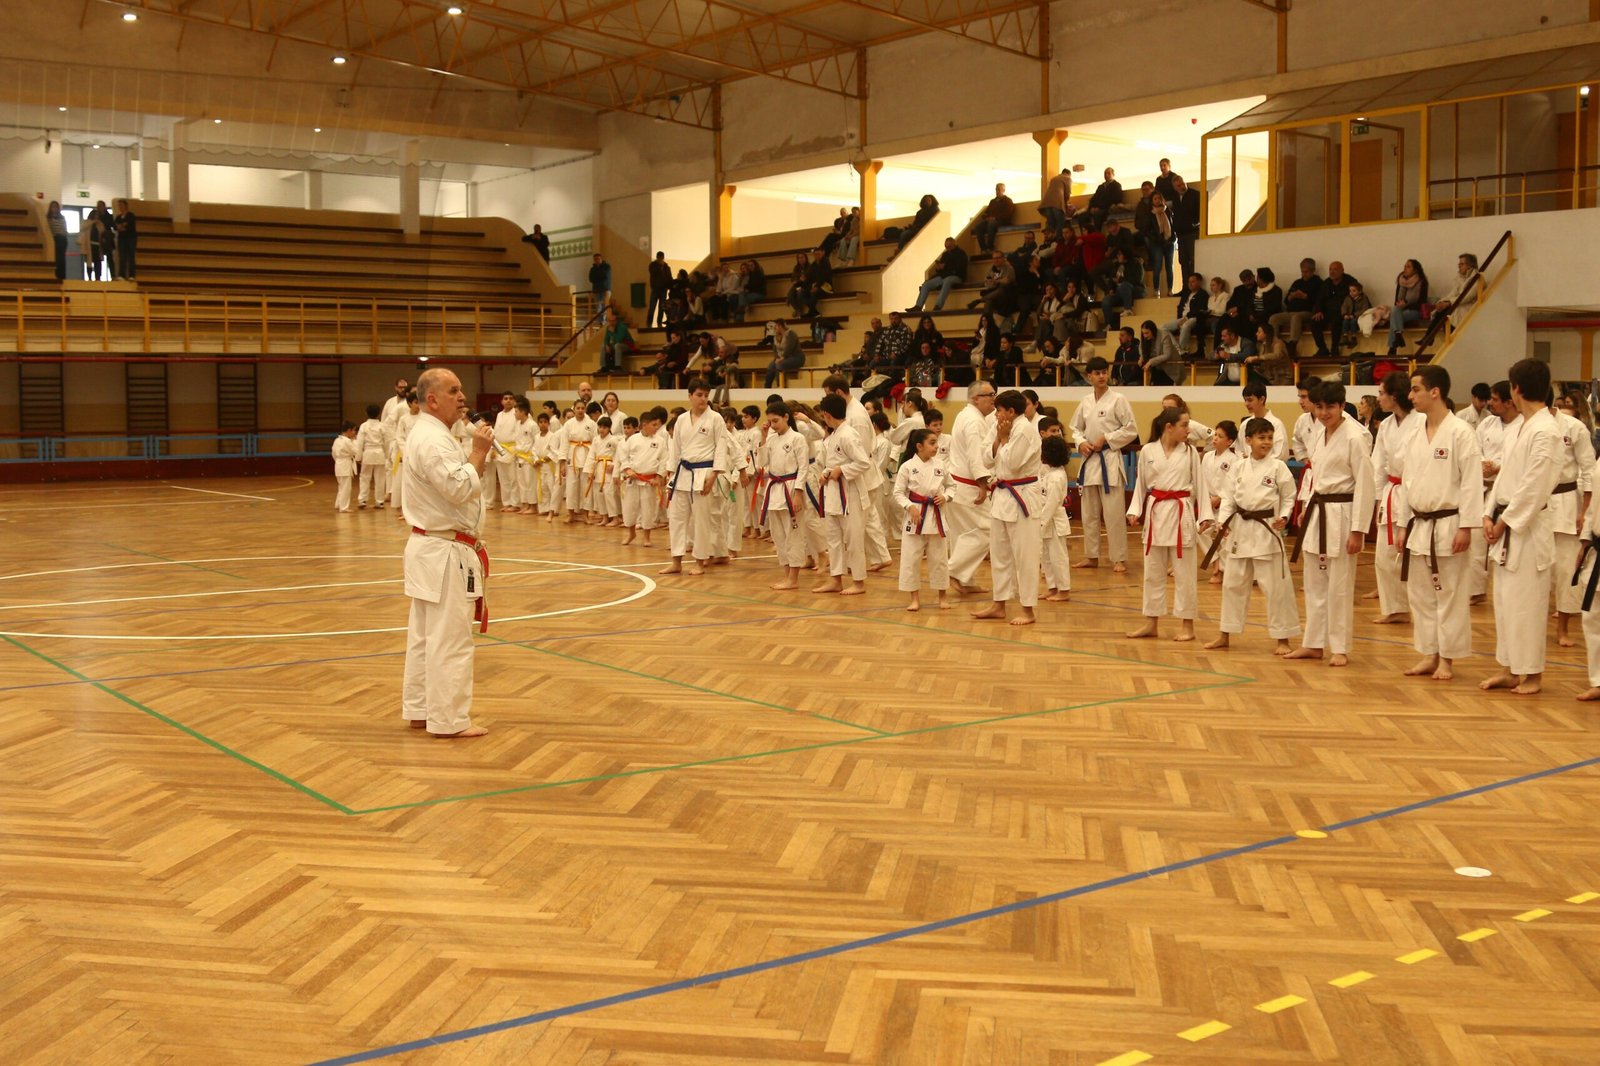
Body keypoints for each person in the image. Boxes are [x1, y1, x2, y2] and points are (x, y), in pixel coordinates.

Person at [397, 368, 493, 739]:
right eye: (454, 390)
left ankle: (421, 709)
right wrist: (479, 452)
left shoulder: (432, 433)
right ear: (432, 399)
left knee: (424, 635)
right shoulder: (433, 439)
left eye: (461, 388)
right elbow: (457, 488)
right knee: (450, 638)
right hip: (443, 551)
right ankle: (449, 719)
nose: (462, 396)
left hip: (431, 548)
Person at [1394, 365, 1483, 682]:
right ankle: (1429, 654)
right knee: (1420, 595)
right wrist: (1403, 523)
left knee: (1450, 595)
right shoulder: (1416, 431)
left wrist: (1467, 526)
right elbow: (1407, 482)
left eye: (1415, 389)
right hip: (1420, 524)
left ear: (1435, 392)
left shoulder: (1461, 432)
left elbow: (1472, 483)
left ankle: (1447, 659)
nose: (1410, 395)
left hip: (1449, 522)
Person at [1481, 359, 1561, 695]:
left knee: (1527, 604)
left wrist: (1504, 522)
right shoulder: (1521, 427)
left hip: (1526, 529)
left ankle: (1533, 674)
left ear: (1516, 389)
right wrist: (1488, 512)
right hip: (1505, 522)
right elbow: (1504, 478)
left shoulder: (1547, 431)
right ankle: (1510, 668)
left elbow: (1534, 486)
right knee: (1505, 602)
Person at [1287, 381, 1375, 668]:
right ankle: (1313, 643)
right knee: (1313, 583)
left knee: (1338, 585)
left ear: (1341, 405)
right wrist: (1306, 506)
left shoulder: (1356, 436)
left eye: (1330, 407)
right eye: (1320, 407)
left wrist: (1359, 529)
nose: (1324, 413)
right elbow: (1316, 473)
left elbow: (1365, 484)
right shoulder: (1318, 433)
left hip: (1343, 512)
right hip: (1319, 509)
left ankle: (1339, 647)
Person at [1203, 417, 1298, 654]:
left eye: (1269, 438)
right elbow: (1228, 497)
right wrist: (1223, 523)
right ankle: (1225, 634)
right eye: (1261, 438)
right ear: (1248, 441)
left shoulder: (1278, 467)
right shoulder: (1238, 467)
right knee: (1232, 584)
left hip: (1267, 530)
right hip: (1241, 530)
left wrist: (1284, 517)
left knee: (1277, 587)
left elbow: (1288, 496)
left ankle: (1283, 639)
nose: (1266, 443)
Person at [1126, 407, 1212, 642]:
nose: (1188, 430)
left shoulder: (1191, 452)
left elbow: (1201, 484)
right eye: (1184, 425)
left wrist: (1205, 515)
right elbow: (1141, 484)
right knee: (1153, 573)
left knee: (1185, 574)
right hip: (1156, 513)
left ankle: (1187, 626)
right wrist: (1136, 510)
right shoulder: (1148, 451)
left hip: (1181, 511)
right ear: (1169, 427)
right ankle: (1151, 622)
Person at [971, 389, 1042, 626]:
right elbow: (985, 457)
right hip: (1002, 496)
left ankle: (1028, 609)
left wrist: (1003, 439)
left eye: (998, 410)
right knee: (999, 554)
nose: (995, 414)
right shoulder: (1000, 425)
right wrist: (999, 438)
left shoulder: (1025, 430)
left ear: (1011, 412)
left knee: (1025, 557)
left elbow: (1012, 464)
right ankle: (999, 604)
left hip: (1022, 496)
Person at [1070, 357, 1138, 572]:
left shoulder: (1118, 399)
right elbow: (1075, 428)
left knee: (1113, 513)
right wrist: (1080, 443)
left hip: (1109, 460)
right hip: (1089, 460)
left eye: (1104, 372)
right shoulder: (1085, 401)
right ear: (1088, 376)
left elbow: (1131, 429)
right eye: (1096, 373)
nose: (1101, 376)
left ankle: (1118, 558)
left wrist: (1106, 438)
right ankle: (1092, 556)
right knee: (1089, 514)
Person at [661, 380, 731, 576]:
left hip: (704, 473)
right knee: (676, 519)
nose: (703, 399)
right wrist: (670, 473)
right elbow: (675, 449)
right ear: (690, 396)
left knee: (701, 521)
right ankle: (676, 561)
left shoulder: (716, 418)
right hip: (682, 473)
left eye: (706, 395)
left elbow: (721, 447)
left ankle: (700, 561)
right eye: (699, 395)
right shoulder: (682, 419)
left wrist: (715, 474)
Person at [1370, 371, 1424, 625]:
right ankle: (1395, 608)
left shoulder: (1421, 421)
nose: (1378, 398)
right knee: (1384, 555)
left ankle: (1418, 606)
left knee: (1414, 555)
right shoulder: (1387, 425)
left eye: (1381, 393)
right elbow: (1378, 464)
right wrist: (1378, 499)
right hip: (1392, 491)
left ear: (1394, 395)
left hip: (1416, 493)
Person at [812, 393, 870, 595]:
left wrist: (841, 471)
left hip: (851, 495)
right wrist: (827, 473)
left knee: (853, 541)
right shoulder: (834, 435)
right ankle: (835, 579)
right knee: (833, 539)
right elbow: (834, 463)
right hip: (834, 494)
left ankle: (858, 583)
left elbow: (863, 462)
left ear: (826, 414)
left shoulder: (848, 434)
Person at [1550, 392, 1595, 648]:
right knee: (1537, 571)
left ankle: (1563, 627)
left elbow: (1589, 470)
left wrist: (1585, 511)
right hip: (1538, 504)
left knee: (1567, 569)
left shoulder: (1575, 428)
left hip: (1567, 502)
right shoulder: (1526, 425)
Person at [945, 381, 998, 593]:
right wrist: (983, 485)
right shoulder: (974, 421)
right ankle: (954, 571)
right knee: (989, 530)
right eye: (989, 394)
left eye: (994, 394)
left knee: (963, 534)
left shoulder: (964, 415)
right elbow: (975, 456)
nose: (993, 398)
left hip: (957, 484)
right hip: (969, 486)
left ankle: (964, 581)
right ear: (975, 398)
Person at [892, 428, 953, 611]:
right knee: (911, 559)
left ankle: (942, 597)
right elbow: (898, 493)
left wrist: (946, 497)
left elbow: (951, 486)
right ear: (919, 446)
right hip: (915, 517)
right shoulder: (907, 466)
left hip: (936, 516)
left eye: (936, 442)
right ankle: (914, 598)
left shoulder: (940, 465)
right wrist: (909, 506)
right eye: (932, 443)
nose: (936, 446)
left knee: (940, 559)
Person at [620, 407, 669, 546]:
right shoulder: (632, 440)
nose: (656, 428)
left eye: (657, 425)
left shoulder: (659, 441)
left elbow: (664, 460)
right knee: (629, 508)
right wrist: (627, 469)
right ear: (644, 425)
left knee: (648, 509)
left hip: (649, 480)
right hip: (633, 479)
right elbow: (623, 456)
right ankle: (631, 534)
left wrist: (659, 477)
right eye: (653, 425)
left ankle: (647, 537)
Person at [1309, 261, 1358, 357]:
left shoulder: (1350, 281)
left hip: (1343, 313)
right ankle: (1322, 349)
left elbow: (1355, 297)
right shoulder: (1326, 283)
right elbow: (1319, 299)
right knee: (1314, 321)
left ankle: (1334, 349)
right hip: (1327, 312)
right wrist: (1318, 311)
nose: (1332, 272)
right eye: (1330, 269)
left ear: (1342, 270)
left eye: (1335, 269)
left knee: (1337, 321)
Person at [1270, 258, 1321, 348]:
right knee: (1274, 318)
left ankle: (1292, 344)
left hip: (1307, 312)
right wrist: (1290, 297)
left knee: (1296, 317)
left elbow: (1319, 300)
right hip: (1291, 311)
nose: (1303, 274)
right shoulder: (1297, 282)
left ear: (1312, 271)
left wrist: (1305, 296)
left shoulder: (1318, 282)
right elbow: (1286, 301)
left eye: (1306, 272)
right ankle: (1275, 343)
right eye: (1302, 272)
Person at [910, 238, 969, 313]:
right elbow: (941, 269)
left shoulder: (961, 253)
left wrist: (945, 266)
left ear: (954, 244)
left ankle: (938, 305)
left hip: (957, 276)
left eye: (949, 246)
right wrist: (938, 268)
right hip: (944, 276)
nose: (947, 248)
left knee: (947, 281)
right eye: (946, 246)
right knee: (926, 284)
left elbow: (960, 267)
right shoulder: (945, 254)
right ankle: (918, 306)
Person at [1384, 259, 1429, 356]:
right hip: (1401, 310)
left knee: (1394, 317)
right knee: (1395, 310)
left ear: (1415, 270)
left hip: (1415, 310)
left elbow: (1422, 302)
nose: (1405, 268)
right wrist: (1400, 304)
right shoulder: (1401, 280)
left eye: (1408, 266)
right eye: (1404, 266)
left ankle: (1392, 347)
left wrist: (1407, 304)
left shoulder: (1422, 282)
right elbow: (1397, 301)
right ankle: (1398, 334)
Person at [353, 403, 390, 508]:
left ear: (366, 413)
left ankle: (363, 500)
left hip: (368, 453)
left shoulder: (364, 426)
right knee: (380, 478)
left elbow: (360, 443)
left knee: (364, 477)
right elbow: (386, 442)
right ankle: (379, 501)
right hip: (379, 453)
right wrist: (387, 455)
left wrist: (358, 456)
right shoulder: (382, 426)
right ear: (378, 414)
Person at [973, 183, 1014, 253]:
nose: (997, 191)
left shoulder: (1008, 201)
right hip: (990, 221)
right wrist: (986, 217)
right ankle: (983, 249)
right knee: (978, 227)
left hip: (1002, 221)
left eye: (998, 189)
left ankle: (990, 247)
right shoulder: (992, 202)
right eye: (996, 189)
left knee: (991, 224)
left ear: (1003, 190)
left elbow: (1007, 214)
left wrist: (994, 218)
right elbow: (986, 213)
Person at [763, 319, 804, 388]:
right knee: (771, 367)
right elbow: (775, 349)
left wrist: (782, 358)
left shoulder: (791, 334)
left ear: (780, 326)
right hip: (781, 358)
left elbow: (789, 348)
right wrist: (777, 358)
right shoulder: (776, 336)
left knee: (780, 365)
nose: (775, 328)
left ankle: (781, 386)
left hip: (795, 357)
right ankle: (767, 387)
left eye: (776, 326)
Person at [331, 421, 359, 513]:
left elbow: (333, 454)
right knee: (346, 487)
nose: (354, 433)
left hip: (338, 464)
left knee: (341, 486)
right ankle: (343, 507)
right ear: (349, 430)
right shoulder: (347, 441)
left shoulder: (337, 440)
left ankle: (338, 504)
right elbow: (355, 451)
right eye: (354, 430)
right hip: (345, 464)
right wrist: (355, 440)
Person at [1085, 167, 1122, 232]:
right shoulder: (1100, 187)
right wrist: (1092, 207)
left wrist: (1099, 207)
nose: (1106, 175)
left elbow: (1116, 199)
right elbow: (1094, 198)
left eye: (1108, 173)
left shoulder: (1116, 185)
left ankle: (1097, 234)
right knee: (1083, 216)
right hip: (1097, 208)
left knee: (1097, 215)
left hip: (1107, 208)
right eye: (1105, 173)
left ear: (1113, 174)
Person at [1040, 166, 1074, 234]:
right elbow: (1067, 193)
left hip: (1047, 204)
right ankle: (1058, 240)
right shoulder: (1067, 178)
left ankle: (1050, 241)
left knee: (1051, 224)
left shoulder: (1054, 178)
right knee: (1060, 223)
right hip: (1057, 204)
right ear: (1069, 174)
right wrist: (1066, 204)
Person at [599, 308, 633, 374]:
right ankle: (603, 366)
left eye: (613, 321)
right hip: (615, 345)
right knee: (603, 346)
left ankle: (618, 366)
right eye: (610, 321)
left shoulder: (622, 327)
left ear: (616, 321)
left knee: (617, 346)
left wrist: (613, 332)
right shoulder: (608, 328)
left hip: (627, 345)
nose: (612, 322)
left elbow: (619, 340)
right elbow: (606, 339)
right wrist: (606, 345)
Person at [112, 199, 137, 279]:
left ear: (126, 206)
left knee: (131, 257)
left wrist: (122, 226)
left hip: (130, 238)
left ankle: (131, 275)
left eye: (121, 205)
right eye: (119, 205)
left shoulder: (131, 215)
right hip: (121, 239)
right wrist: (121, 226)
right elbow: (115, 226)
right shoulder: (118, 217)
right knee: (122, 257)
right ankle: (121, 275)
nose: (120, 207)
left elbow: (130, 226)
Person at [647, 252, 673, 327]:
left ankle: (659, 322)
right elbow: (653, 272)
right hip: (655, 288)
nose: (660, 259)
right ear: (657, 257)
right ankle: (649, 323)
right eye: (659, 258)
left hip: (663, 289)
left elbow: (669, 277)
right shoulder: (652, 265)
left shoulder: (666, 267)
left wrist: (670, 285)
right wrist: (660, 267)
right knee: (652, 307)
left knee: (662, 307)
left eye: (661, 258)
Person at [45, 201, 67, 281]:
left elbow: (64, 228)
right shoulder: (48, 218)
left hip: (62, 239)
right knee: (56, 258)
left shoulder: (62, 217)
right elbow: (48, 230)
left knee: (62, 258)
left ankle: (62, 276)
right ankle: (56, 275)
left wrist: (64, 236)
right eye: (53, 207)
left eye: (56, 207)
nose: (54, 208)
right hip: (54, 239)